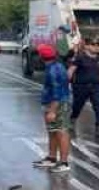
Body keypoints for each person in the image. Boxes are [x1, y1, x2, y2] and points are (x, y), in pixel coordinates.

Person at [32, 44, 72, 174]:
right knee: (53, 131)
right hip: (54, 103)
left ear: (42, 57)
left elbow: (57, 92)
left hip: (57, 104)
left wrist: (52, 110)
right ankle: (52, 157)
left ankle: (64, 162)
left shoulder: (53, 70)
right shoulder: (56, 66)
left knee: (61, 131)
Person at [68, 40, 99, 139]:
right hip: (81, 86)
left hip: (96, 86)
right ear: (87, 46)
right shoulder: (80, 58)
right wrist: (66, 83)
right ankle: (72, 119)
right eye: (93, 44)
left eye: (98, 45)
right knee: (77, 106)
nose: (96, 46)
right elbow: (71, 70)